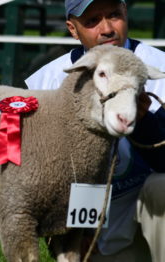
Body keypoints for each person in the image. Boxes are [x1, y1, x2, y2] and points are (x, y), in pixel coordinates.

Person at [25, 0, 165, 261]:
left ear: (125, 12)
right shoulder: (47, 82)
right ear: (72, 29)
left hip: (150, 219)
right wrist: (80, 229)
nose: (107, 29)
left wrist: (144, 121)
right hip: (97, 229)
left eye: (114, 15)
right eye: (92, 21)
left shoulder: (160, 68)